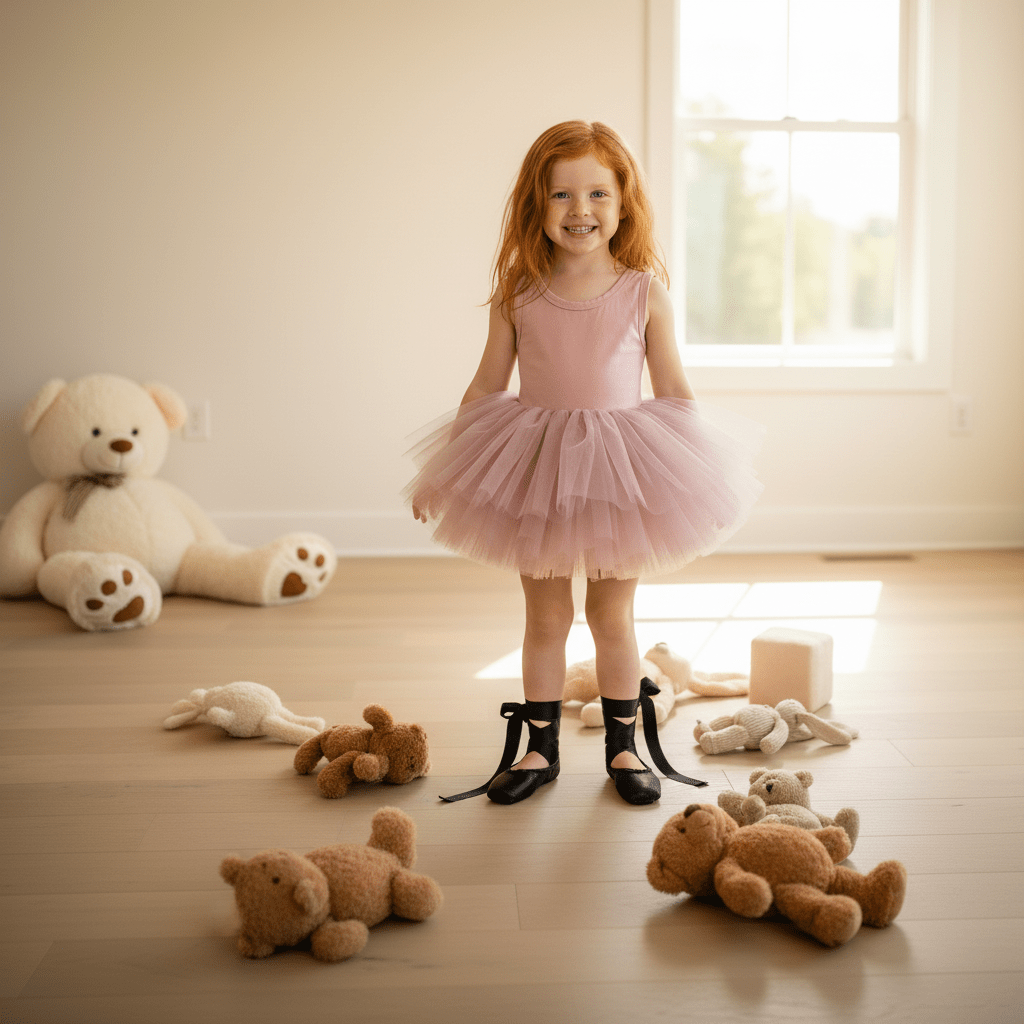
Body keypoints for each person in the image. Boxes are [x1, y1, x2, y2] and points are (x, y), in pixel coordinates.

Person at [405, 121, 762, 806]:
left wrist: (694, 473)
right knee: (544, 618)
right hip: (534, 470)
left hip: (619, 473)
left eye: (597, 192)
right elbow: (486, 385)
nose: (580, 210)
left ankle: (625, 746)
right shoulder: (520, 290)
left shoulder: (642, 292)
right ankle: (539, 749)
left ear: (623, 202)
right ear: (535, 206)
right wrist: (446, 466)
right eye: (561, 194)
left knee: (612, 616)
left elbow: (673, 390)